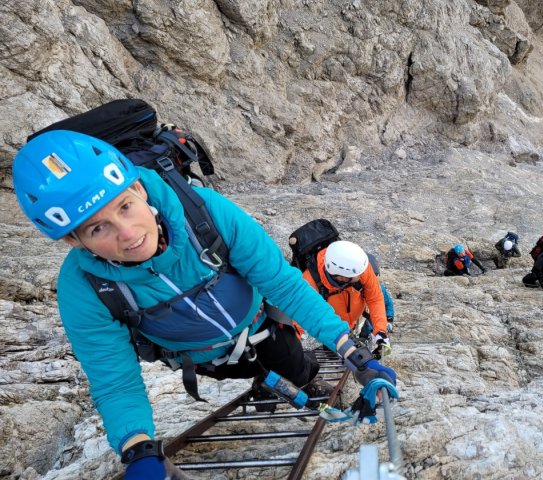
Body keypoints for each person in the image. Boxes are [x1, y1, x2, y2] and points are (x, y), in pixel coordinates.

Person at [12, 131, 397, 479]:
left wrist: (354, 353)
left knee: (299, 366)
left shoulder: (206, 213)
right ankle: (271, 382)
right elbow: (114, 380)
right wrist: (137, 449)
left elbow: (284, 286)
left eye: (124, 207)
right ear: (73, 241)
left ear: (140, 190)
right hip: (202, 361)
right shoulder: (84, 288)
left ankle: (298, 379)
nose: (127, 234)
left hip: (264, 332)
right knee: (268, 370)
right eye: (98, 228)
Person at [302, 241, 392, 358]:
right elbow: (298, 313)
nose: (361, 277)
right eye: (356, 276)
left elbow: (375, 298)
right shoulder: (309, 282)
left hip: (350, 326)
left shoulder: (359, 268)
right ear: (341, 277)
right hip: (328, 331)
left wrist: (380, 332)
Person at [359, 253, 396, 339]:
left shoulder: (380, 289)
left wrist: (389, 320)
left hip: (372, 327)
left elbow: (389, 304)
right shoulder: (352, 290)